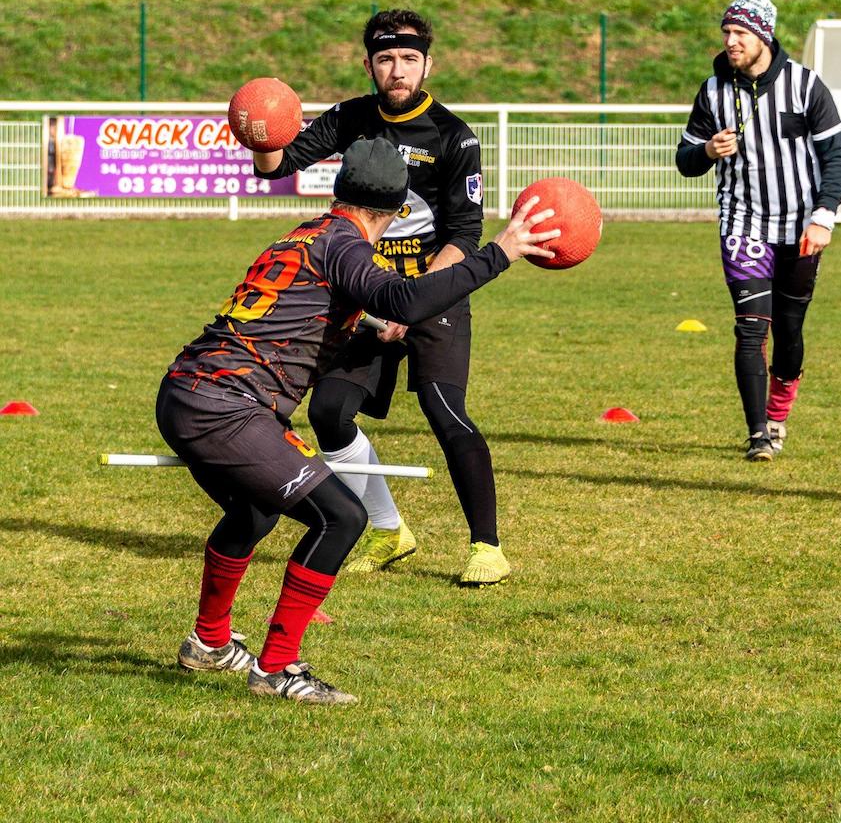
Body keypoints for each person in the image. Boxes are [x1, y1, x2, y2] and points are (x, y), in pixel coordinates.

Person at [159, 138, 556, 704]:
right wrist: (501, 252)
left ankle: (209, 642)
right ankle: (277, 668)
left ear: (339, 190)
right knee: (341, 518)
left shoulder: (305, 233)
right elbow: (405, 297)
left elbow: (296, 305)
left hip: (186, 390)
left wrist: (366, 323)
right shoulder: (347, 246)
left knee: (252, 511)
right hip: (229, 405)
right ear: (396, 212)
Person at [253, 9, 509, 585]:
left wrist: (413, 297)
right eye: (387, 59)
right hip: (362, 298)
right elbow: (278, 164)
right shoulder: (351, 117)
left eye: (410, 60)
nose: (398, 71)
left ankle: (486, 546)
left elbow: (465, 236)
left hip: (431, 293)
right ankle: (389, 530)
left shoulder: (453, 136)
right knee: (328, 411)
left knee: (446, 412)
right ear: (368, 63)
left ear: (428, 64)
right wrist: (259, 135)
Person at [676, 0, 841, 461]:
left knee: (790, 332)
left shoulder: (806, 86)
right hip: (743, 224)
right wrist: (708, 151)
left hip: (800, 227)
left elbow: (837, 155)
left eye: (739, 32)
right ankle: (758, 435)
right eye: (726, 31)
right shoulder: (712, 92)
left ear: (763, 36)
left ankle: (778, 417)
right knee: (751, 328)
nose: (730, 40)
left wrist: (823, 217)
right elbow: (684, 159)